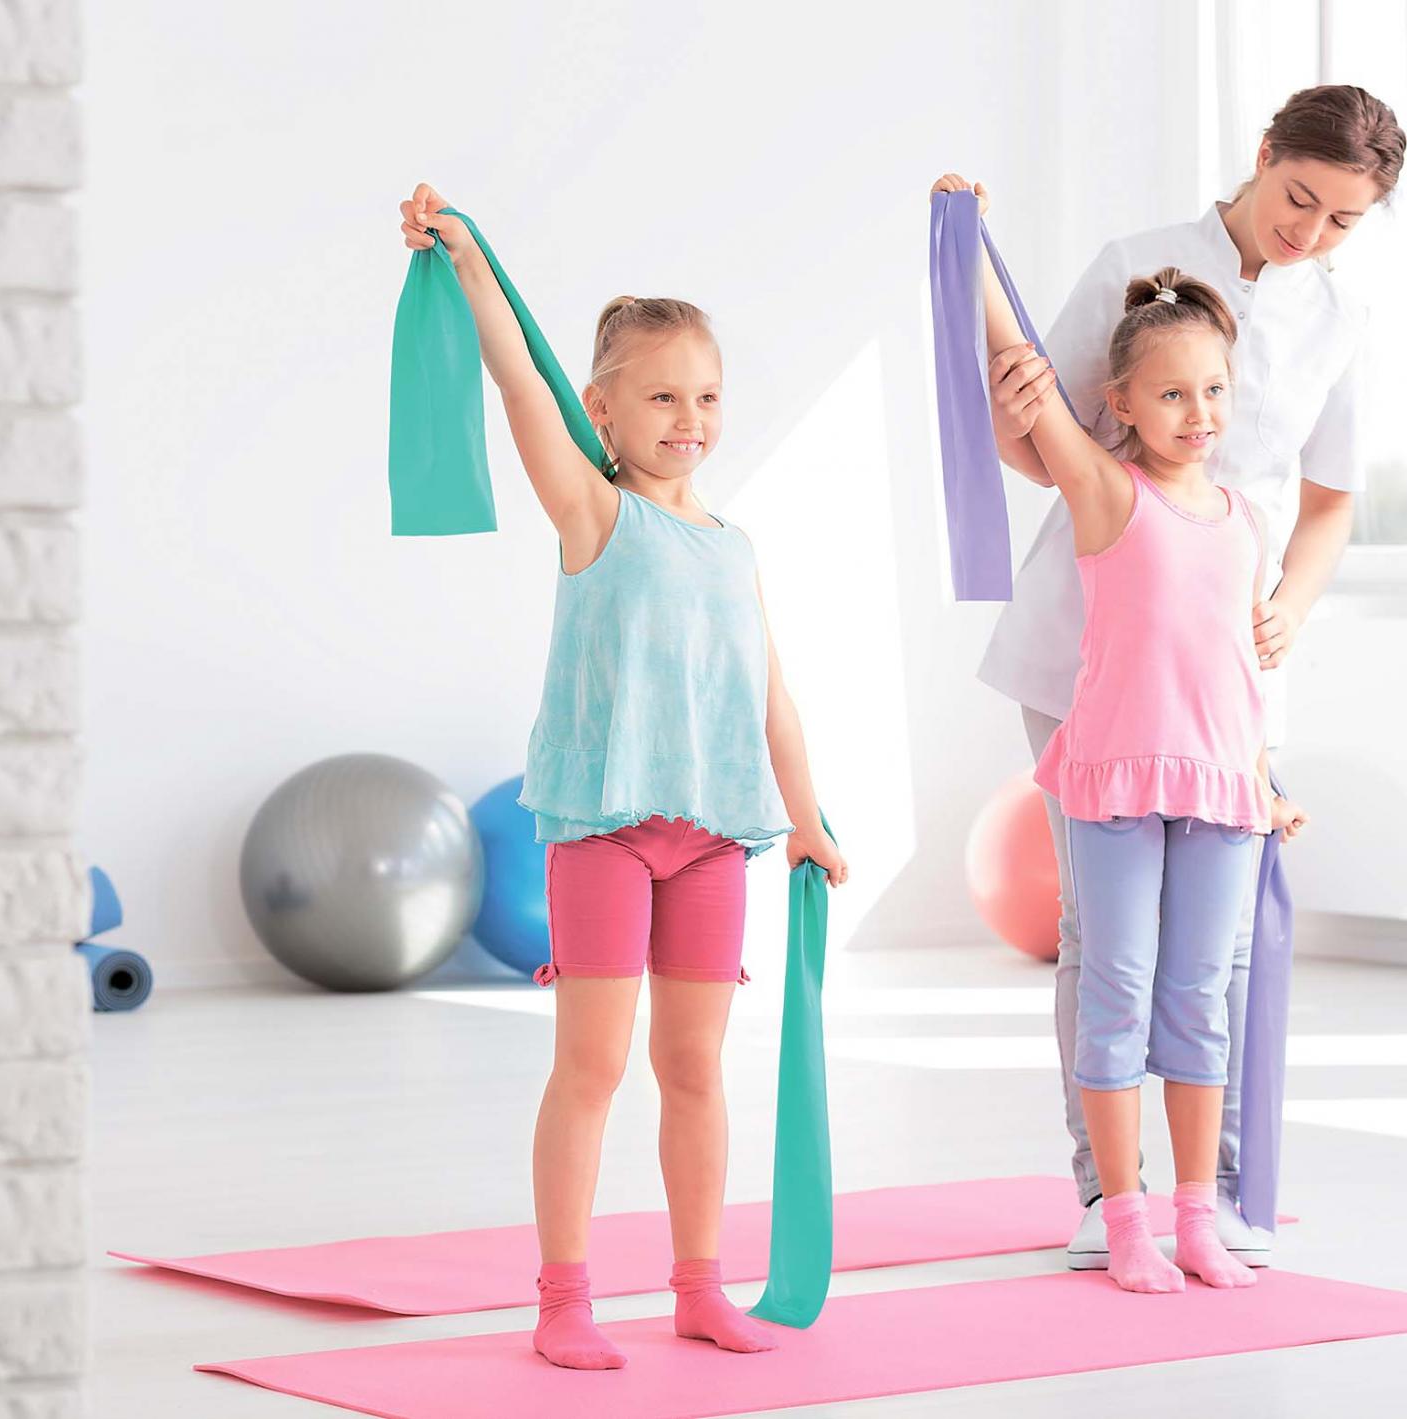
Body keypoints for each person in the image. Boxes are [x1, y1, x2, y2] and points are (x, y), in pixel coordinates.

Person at [397, 183, 848, 1369]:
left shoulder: (732, 546)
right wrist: (469, 261)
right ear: (601, 406)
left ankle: (699, 1289)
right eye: (660, 396)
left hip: (713, 838)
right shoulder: (593, 515)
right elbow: (517, 384)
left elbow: (771, 695)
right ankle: (563, 1303)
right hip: (603, 830)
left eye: (706, 396)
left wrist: (804, 820)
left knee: (693, 1070)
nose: (688, 418)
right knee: (591, 1068)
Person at [966, 84, 1406, 1269]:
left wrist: (1287, 607)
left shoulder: (1338, 317)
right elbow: (1043, 445)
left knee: (1219, 948)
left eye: (1342, 220)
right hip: (1090, 637)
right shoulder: (1137, 263)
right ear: (1261, 155)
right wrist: (976, 286)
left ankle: (1212, 1197)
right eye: (1297, 198)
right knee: (1098, 934)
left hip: (1228, 654)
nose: (1308, 233)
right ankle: (1104, 1195)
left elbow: (1328, 502)